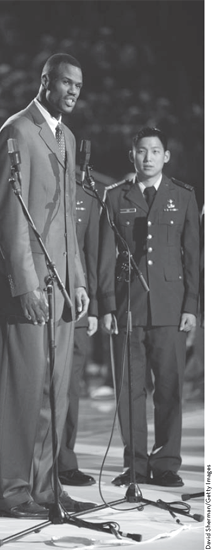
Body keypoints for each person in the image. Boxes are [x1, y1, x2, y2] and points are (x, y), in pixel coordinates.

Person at [0, 53, 96, 519]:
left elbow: (68, 220)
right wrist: (25, 285)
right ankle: (13, 493)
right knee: (22, 392)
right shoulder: (17, 130)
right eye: (66, 82)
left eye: (79, 85)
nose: (73, 91)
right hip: (28, 285)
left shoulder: (67, 137)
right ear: (46, 81)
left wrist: (80, 280)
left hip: (62, 286)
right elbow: (8, 215)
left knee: (54, 390)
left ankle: (47, 488)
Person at [98, 127, 200, 487]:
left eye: (155, 151)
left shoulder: (183, 196)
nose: (148, 157)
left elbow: (193, 257)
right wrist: (107, 306)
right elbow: (105, 258)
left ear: (166, 156)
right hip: (128, 308)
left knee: (170, 387)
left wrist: (192, 305)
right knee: (130, 390)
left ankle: (167, 462)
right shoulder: (114, 197)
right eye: (142, 151)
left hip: (171, 308)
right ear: (132, 155)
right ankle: (136, 464)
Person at [58, 180, 99, 487]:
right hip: (38, 302)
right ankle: (32, 463)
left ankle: (65, 462)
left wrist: (94, 306)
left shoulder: (86, 196)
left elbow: (91, 253)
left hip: (76, 305)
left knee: (71, 388)